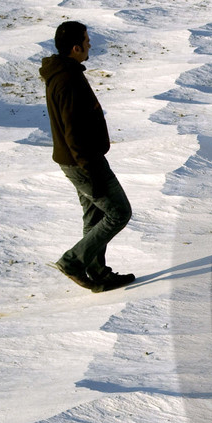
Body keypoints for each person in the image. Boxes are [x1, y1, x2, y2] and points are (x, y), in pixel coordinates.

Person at [41, 21, 134, 291]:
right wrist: (90, 169)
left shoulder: (62, 73)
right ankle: (73, 261)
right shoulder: (67, 79)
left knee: (94, 217)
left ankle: (98, 271)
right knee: (119, 213)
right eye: (87, 40)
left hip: (78, 160)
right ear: (76, 47)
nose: (90, 45)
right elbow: (73, 133)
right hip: (84, 162)